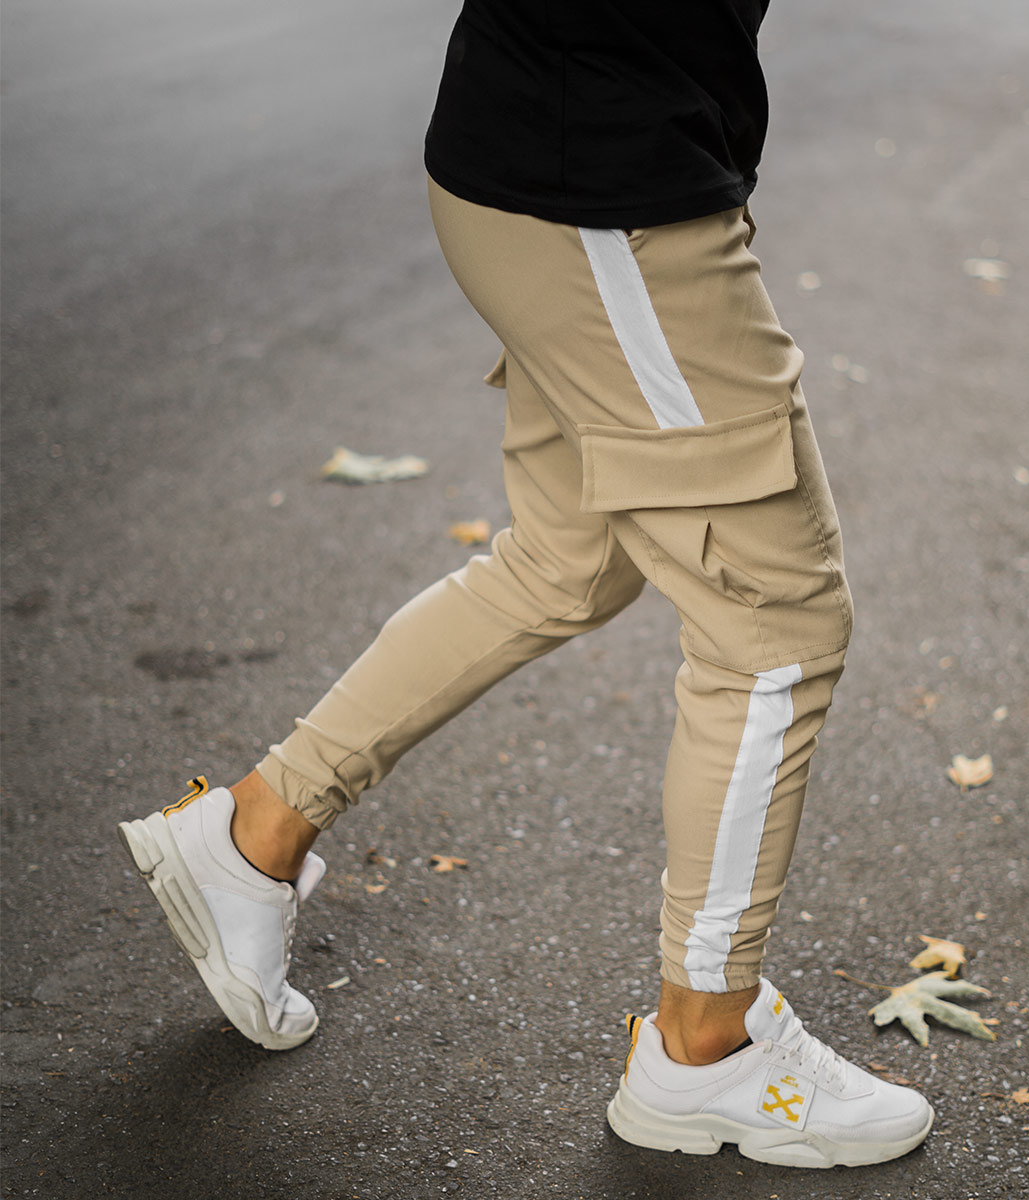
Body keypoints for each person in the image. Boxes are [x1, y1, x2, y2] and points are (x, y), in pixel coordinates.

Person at [118, 0, 934, 1169]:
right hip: (605, 189)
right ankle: (704, 1050)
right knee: (778, 622)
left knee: (569, 560)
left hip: (557, 165)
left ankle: (255, 831)